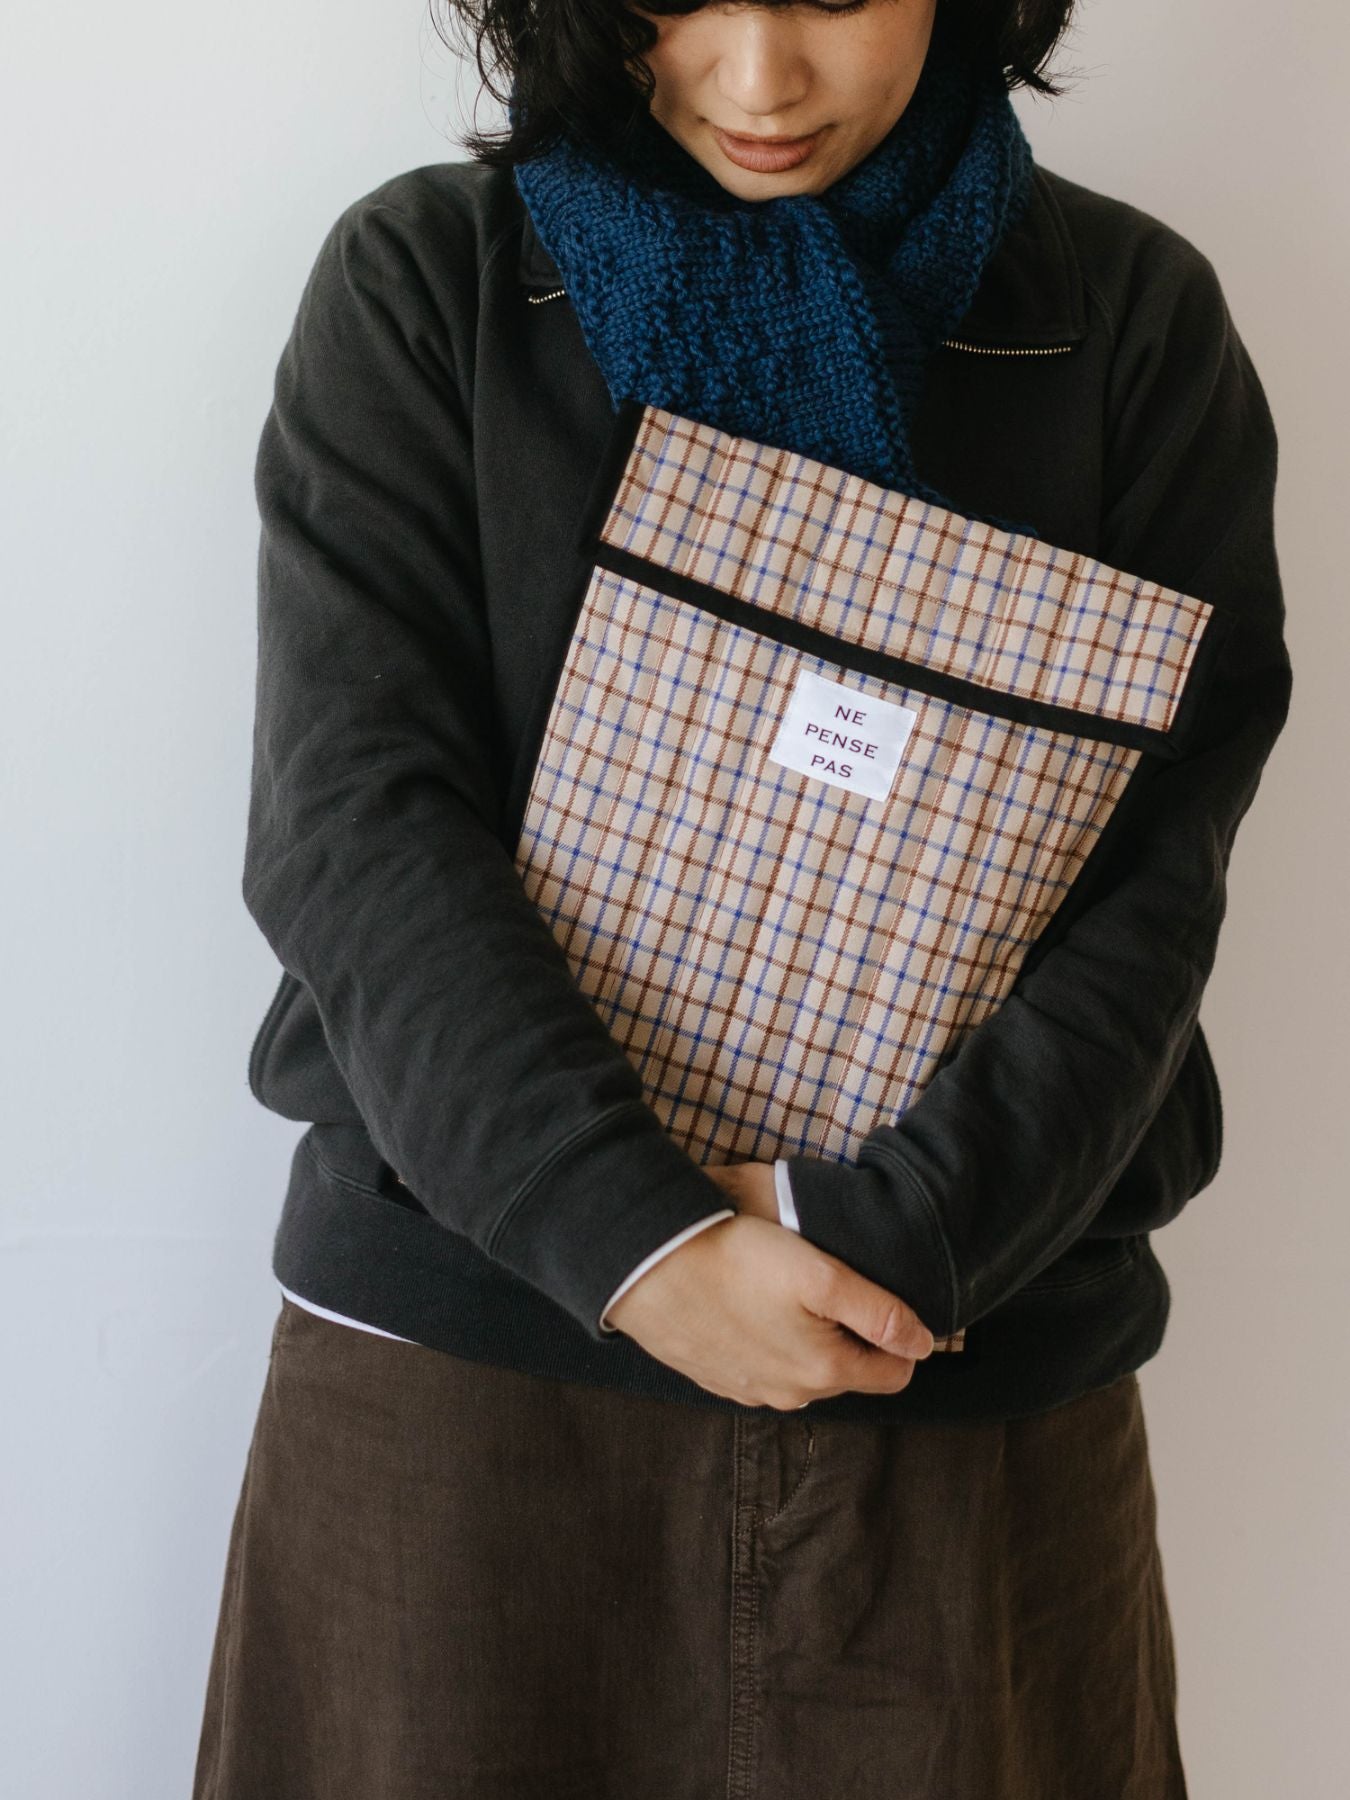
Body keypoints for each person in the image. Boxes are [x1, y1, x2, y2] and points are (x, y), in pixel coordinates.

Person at [192, 1, 1293, 1794]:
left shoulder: (1126, 317)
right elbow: (354, 824)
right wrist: (636, 1240)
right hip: (466, 1367)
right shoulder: (432, 280)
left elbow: (1155, 885)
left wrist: (887, 1235)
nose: (761, 77)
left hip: (959, 1361)